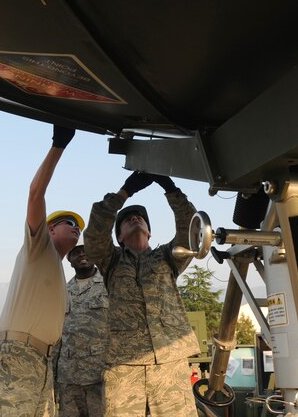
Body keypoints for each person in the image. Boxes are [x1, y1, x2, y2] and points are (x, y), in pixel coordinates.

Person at [0, 125, 82, 416]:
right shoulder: (38, 248)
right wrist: (58, 146)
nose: (76, 229)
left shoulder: (60, 270)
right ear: (49, 229)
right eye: (68, 224)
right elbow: (35, 193)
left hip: (42, 361)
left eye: (78, 227)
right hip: (17, 356)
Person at [84, 171, 200, 417]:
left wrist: (170, 188)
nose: (135, 219)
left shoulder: (168, 257)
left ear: (149, 232)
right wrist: (124, 193)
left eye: (140, 218)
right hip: (123, 364)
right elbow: (94, 234)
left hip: (169, 360)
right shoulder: (111, 260)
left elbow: (191, 229)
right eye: (127, 220)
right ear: (119, 237)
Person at [54, 244, 109, 417]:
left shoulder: (109, 284)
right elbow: (56, 336)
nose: (82, 254)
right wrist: (53, 376)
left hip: (100, 375)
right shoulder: (62, 291)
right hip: (68, 377)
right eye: (76, 252)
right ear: (69, 261)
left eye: (86, 251)